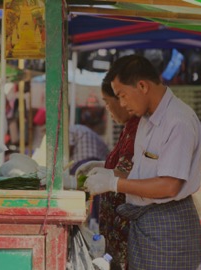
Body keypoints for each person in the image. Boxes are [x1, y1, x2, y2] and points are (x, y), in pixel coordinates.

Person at [84, 54, 201, 269]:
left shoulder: (178, 121)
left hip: (168, 226)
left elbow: (169, 186)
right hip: (145, 223)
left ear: (142, 86)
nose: (121, 103)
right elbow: (141, 172)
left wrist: (114, 183)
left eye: (122, 95)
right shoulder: (146, 120)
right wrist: (107, 173)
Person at [75, 76, 140, 269]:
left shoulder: (140, 128)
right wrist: (103, 166)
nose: (108, 108)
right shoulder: (128, 127)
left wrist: (110, 178)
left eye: (107, 101)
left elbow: (136, 173)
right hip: (114, 226)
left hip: (128, 223)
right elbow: (123, 166)